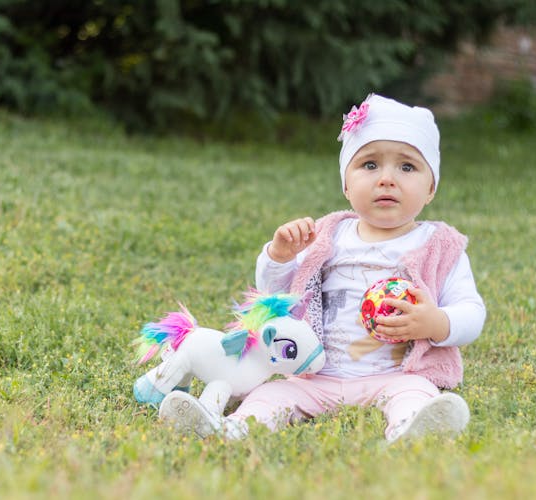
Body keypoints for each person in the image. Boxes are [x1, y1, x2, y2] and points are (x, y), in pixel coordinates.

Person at [158, 94, 486, 442]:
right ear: (346, 184)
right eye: (370, 165)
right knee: (271, 396)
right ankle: (232, 427)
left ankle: (411, 428)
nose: (387, 179)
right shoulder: (327, 235)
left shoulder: (440, 246)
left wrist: (436, 323)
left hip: (393, 374)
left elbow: (471, 310)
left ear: (431, 187)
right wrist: (280, 256)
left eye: (407, 167)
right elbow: (277, 295)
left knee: (416, 392)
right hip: (315, 375)